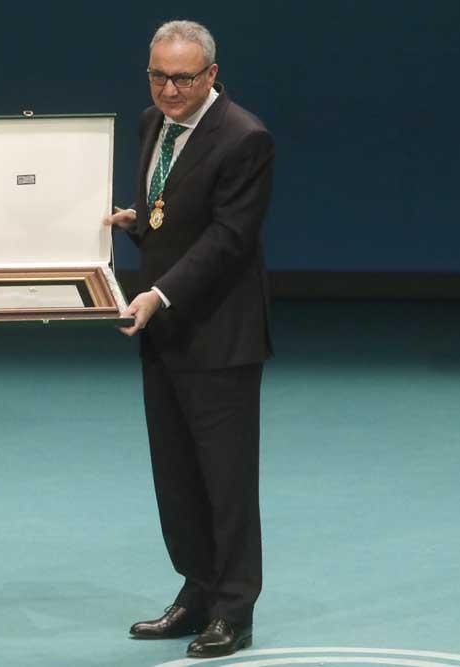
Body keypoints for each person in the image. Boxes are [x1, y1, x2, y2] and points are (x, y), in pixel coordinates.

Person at [104, 20, 274, 659]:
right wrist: (136, 224)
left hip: (221, 338)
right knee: (175, 474)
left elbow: (228, 239)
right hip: (164, 332)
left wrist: (158, 293)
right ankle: (196, 589)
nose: (168, 89)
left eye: (182, 78)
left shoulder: (245, 137)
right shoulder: (153, 123)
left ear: (211, 75)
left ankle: (234, 611)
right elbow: (170, 213)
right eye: (158, 75)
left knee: (226, 480)